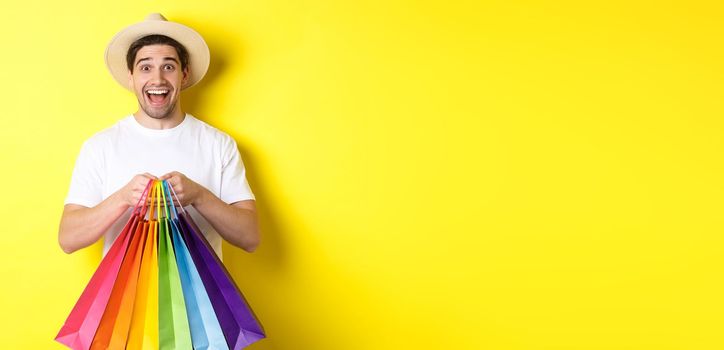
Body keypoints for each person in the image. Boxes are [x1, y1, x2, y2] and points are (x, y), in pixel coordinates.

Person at [58, 13, 260, 259]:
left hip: (199, 298)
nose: (157, 79)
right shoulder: (100, 146)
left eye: (168, 66)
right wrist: (122, 198)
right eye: (145, 67)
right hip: (124, 299)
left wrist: (198, 195)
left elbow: (250, 238)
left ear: (183, 74)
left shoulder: (218, 144)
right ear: (131, 77)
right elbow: (68, 239)